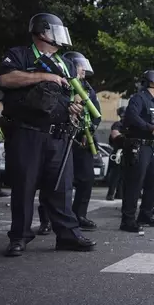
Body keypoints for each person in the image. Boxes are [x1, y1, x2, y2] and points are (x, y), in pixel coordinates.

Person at [0, 12, 96, 256]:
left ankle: (67, 235)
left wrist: (75, 106)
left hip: (59, 134)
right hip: (28, 133)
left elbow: (75, 92)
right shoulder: (20, 54)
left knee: (61, 188)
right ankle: (19, 237)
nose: (60, 35)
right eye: (55, 30)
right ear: (42, 31)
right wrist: (44, 75)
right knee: (25, 186)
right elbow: (6, 79)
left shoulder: (67, 62)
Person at [120, 70, 154, 232]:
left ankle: (145, 214)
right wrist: (149, 127)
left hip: (152, 148)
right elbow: (131, 116)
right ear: (153, 82)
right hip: (139, 146)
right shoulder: (139, 98)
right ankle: (128, 220)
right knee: (135, 184)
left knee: (153, 180)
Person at [65, 51, 100, 231]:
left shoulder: (88, 89)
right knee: (59, 181)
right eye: (80, 66)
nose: (83, 71)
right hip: (63, 138)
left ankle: (80, 215)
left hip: (82, 140)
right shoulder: (63, 84)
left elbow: (96, 116)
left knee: (86, 179)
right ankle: (47, 218)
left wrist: (89, 133)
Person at [106, 106, 126, 200]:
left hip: (125, 152)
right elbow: (115, 135)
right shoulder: (118, 124)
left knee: (123, 176)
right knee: (115, 175)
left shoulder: (128, 124)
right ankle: (111, 194)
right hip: (118, 152)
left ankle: (120, 194)